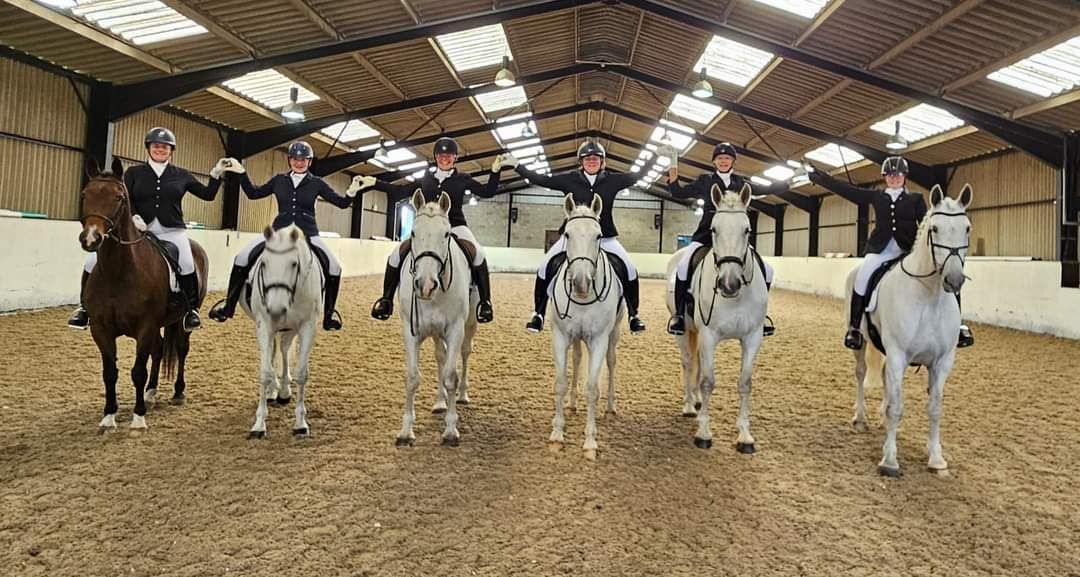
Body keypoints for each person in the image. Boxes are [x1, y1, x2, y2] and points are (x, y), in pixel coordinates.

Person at [67, 127, 224, 332]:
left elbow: (208, 195)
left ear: (171, 150)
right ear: (148, 148)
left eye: (165, 147)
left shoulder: (181, 175)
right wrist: (133, 217)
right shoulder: (133, 173)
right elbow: (124, 200)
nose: (160, 149)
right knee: (91, 260)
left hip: (171, 230)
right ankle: (84, 309)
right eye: (156, 146)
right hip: (139, 230)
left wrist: (216, 174)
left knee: (186, 262)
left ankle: (190, 310)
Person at [809, 156, 974, 349]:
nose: (894, 178)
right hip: (880, 252)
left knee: (949, 274)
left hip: (907, 251)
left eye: (898, 175)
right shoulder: (877, 196)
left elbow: (925, 225)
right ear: (885, 177)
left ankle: (958, 325)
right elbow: (849, 191)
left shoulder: (916, 199)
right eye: (890, 175)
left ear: (905, 177)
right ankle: (854, 328)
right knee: (861, 277)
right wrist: (822, 178)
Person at [208, 141, 358, 331]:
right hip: (278, 232)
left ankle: (329, 315)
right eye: (295, 159)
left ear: (309, 161)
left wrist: (352, 192)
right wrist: (241, 174)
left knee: (334, 267)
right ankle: (228, 306)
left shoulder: (317, 183)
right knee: (242, 257)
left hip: (308, 234)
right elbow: (254, 193)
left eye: (303, 159)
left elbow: (342, 203)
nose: (299, 162)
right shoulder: (279, 180)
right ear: (290, 160)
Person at [507, 140, 645, 334]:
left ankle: (633, 314)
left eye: (596, 158)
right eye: (587, 158)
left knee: (630, 270)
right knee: (545, 267)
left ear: (602, 161)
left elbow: (637, 176)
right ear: (581, 162)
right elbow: (543, 179)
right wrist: (518, 167)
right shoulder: (569, 179)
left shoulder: (613, 180)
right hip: (571, 238)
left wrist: (656, 157)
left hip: (604, 237)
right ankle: (538, 313)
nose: (592, 161)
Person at [363, 137, 502, 323]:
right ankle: (386, 299)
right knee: (396, 254)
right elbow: (399, 191)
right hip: (427, 230)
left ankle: (485, 303)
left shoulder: (463, 179)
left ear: (455, 158)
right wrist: (375, 182)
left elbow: (488, 192)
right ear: (436, 157)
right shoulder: (425, 179)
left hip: (456, 225)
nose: (445, 159)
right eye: (441, 155)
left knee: (479, 254)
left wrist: (495, 172)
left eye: (449, 156)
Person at [666, 142, 776, 336]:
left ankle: (762, 315)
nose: (723, 161)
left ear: (732, 161)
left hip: (733, 241)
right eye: (719, 158)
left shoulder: (741, 182)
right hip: (705, 236)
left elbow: (763, 189)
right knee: (683, 267)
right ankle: (679, 315)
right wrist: (673, 166)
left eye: (727, 158)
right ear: (714, 161)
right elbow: (678, 192)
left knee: (767, 269)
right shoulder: (704, 181)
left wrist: (789, 182)